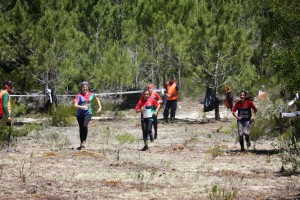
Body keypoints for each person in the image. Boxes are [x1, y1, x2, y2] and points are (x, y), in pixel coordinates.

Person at [74, 81, 101, 150]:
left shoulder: (91, 94)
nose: (85, 89)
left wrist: (100, 107)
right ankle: (81, 142)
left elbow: (97, 98)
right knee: (81, 128)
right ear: (82, 88)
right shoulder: (78, 95)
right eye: (83, 88)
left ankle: (84, 141)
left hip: (88, 113)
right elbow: (75, 105)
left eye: (86, 88)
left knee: (85, 125)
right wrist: (81, 107)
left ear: (88, 88)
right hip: (79, 114)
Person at [0, 81, 14, 146]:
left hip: (1, 113)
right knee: (8, 129)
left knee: (2, 129)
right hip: (5, 114)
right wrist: (7, 116)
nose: (11, 87)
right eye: (10, 86)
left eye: (11, 86)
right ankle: (7, 144)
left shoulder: (1, 92)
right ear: (6, 86)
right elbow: (5, 106)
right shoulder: (5, 93)